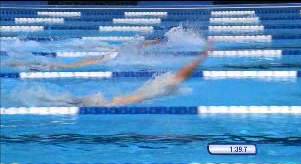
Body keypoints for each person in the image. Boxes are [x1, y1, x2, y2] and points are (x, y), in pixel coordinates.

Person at [48, 46, 209, 107]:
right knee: (77, 103)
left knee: (75, 102)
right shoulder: (170, 84)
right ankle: (53, 100)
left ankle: (55, 100)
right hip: (117, 103)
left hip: (120, 100)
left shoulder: (166, 83)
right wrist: (202, 58)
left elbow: (183, 73)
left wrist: (201, 58)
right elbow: (184, 74)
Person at [6, 38, 167, 71]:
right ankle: (22, 64)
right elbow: (141, 45)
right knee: (65, 67)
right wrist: (156, 43)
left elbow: (139, 45)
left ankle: (22, 63)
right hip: (105, 59)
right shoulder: (132, 52)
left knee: (64, 66)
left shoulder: (130, 50)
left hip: (105, 58)